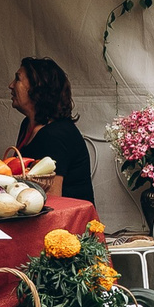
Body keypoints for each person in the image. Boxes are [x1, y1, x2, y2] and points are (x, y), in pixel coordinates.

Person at [11, 56, 95, 203]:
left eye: (17, 79)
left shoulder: (56, 134)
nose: (11, 85)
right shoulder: (28, 124)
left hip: (66, 215)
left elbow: (54, 199)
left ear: (37, 87)